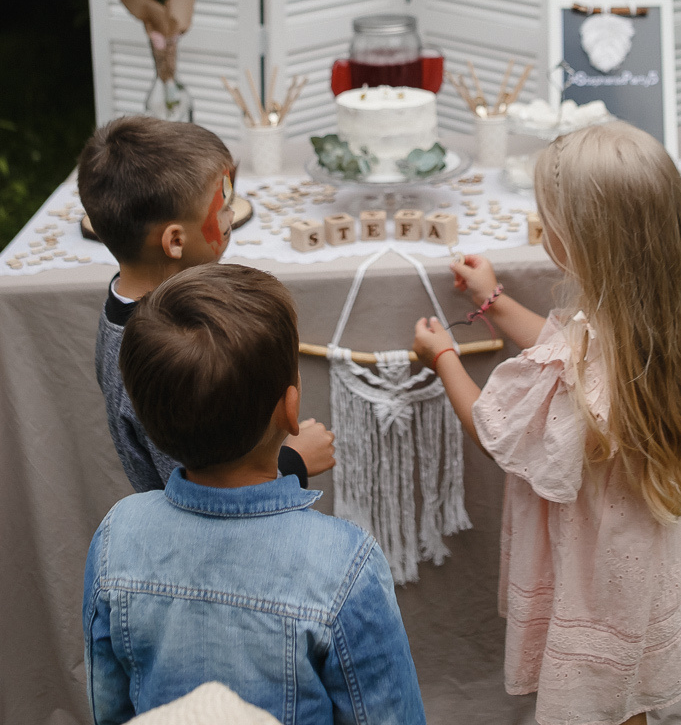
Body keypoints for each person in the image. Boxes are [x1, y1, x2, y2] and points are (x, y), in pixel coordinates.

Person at [413, 121, 681, 725]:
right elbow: (564, 351)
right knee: (624, 686)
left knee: (594, 695)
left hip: (594, 566)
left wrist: (444, 359)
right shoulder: (657, 330)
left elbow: (494, 427)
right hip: (637, 561)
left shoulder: (599, 355)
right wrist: (496, 302)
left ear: (573, 241)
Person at [84, 262, 426, 725]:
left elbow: (111, 706)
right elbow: (388, 716)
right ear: (290, 407)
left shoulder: (115, 536)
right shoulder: (345, 562)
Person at [77, 116, 334, 491]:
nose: (231, 216)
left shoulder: (133, 310)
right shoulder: (163, 350)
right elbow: (205, 495)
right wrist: (293, 463)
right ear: (175, 242)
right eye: (223, 208)